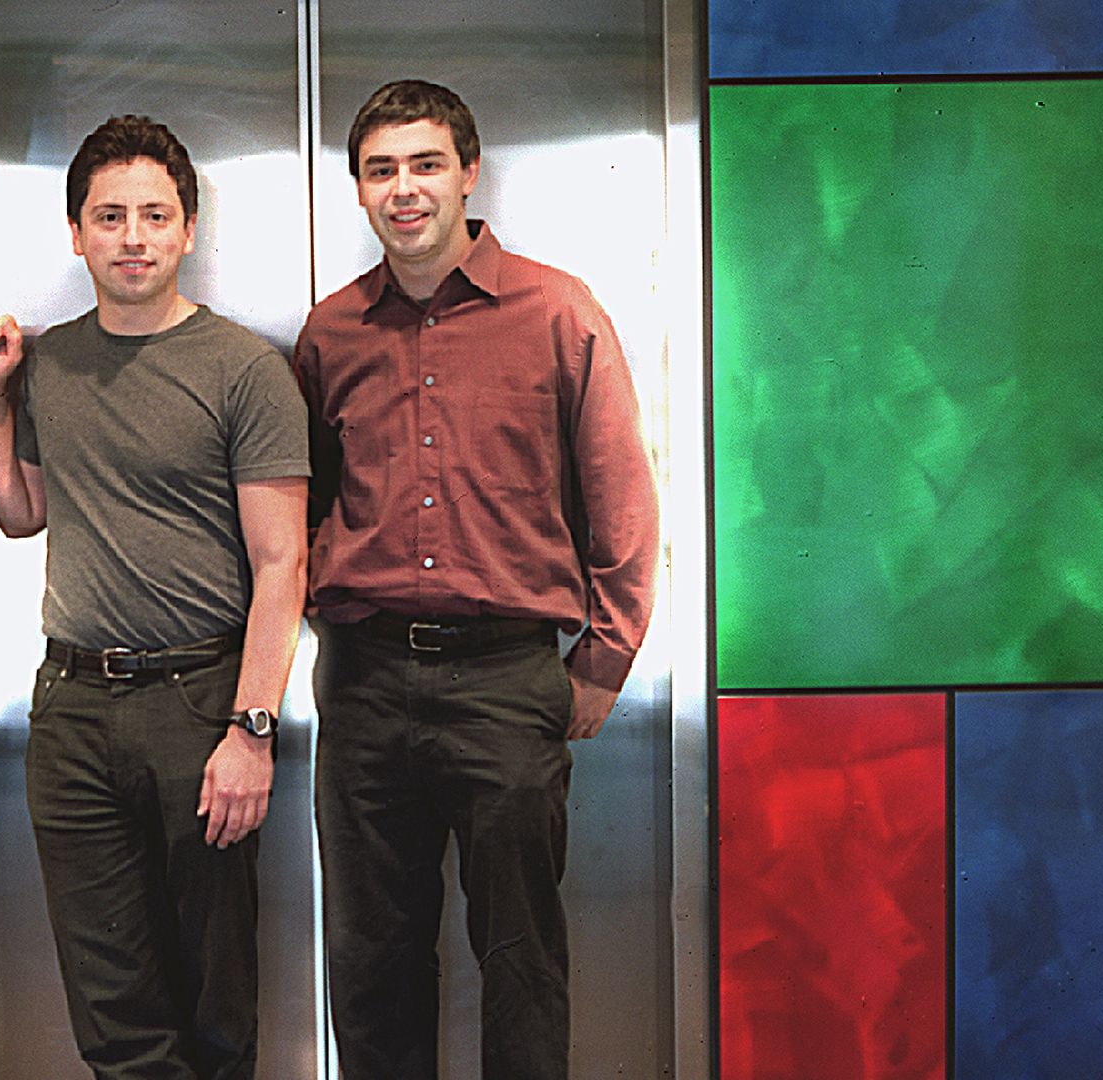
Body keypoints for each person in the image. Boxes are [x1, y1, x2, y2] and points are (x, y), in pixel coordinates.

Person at [292, 80, 660, 1079]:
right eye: (380, 171)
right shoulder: (331, 335)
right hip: (364, 686)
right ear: (360, 191)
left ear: (467, 170)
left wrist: (606, 656)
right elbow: (303, 507)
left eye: (423, 164)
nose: (403, 189)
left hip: (508, 682)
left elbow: (621, 494)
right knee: (372, 962)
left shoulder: (557, 311)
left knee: (521, 955)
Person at [0, 114, 309, 1080]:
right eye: (109, 216)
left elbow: (283, 565)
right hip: (70, 709)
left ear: (188, 229)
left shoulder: (245, 370)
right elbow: (24, 510)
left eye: (155, 215)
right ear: (76, 233)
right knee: (112, 1006)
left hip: (199, 706)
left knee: (213, 999)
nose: (134, 236)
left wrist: (252, 729)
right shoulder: (55, 363)